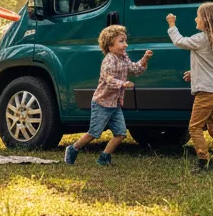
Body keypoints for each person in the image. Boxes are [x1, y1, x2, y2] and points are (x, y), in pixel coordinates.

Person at [166, 3, 213, 173]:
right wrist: (195, 73)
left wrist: (172, 25)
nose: (195, 18)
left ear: (206, 20)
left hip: (207, 92)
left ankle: (204, 162)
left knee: (194, 127)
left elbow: (180, 41)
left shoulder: (202, 38)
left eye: (198, 16)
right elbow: (209, 65)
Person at [64, 25, 152, 166]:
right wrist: (122, 84)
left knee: (121, 133)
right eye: (121, 41)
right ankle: (73, 149)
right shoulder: (109, 60)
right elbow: (107, 78)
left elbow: (135, 69)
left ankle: (104, 158)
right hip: (101, 103)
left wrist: (145, 59)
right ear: (110, 46)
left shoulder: (124, 58)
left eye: (125, 41)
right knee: (94, 133)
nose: (126, 45)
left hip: (115, 104)